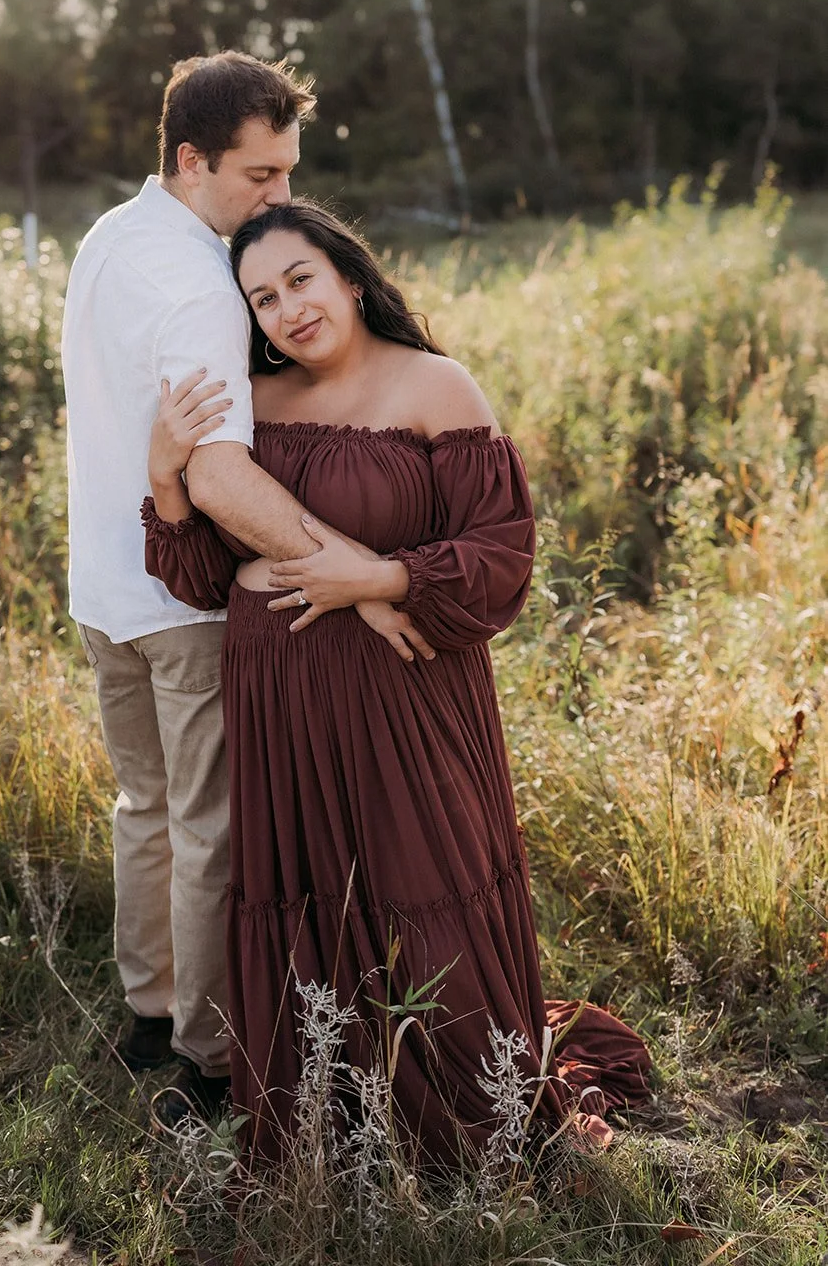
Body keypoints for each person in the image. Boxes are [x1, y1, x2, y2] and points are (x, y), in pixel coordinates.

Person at [141, 200, 652, 1166]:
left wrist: (380, 578)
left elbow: (500, 554)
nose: (287, 309)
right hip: (279, 695)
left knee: (421, 881)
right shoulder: (251, 402)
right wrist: (167, 475)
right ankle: (336, 1106)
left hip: (402, 688)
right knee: (312, 893)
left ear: (348, 278)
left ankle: (466, 1107)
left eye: (300, 280)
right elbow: (202, 575)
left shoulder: (434, 386)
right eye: (262, 299)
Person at [62, 53, 424, 1129]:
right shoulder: (198, 284)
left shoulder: (103, 239)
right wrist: (355, 573)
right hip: (175, 600)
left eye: (286, 172)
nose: (279, 200)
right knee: (211, 825)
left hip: (99, 588)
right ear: (190, 159)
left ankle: (144, 1012)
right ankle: (209, 1057)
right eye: (260, 177)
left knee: (148, 807)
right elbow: (217, 473)